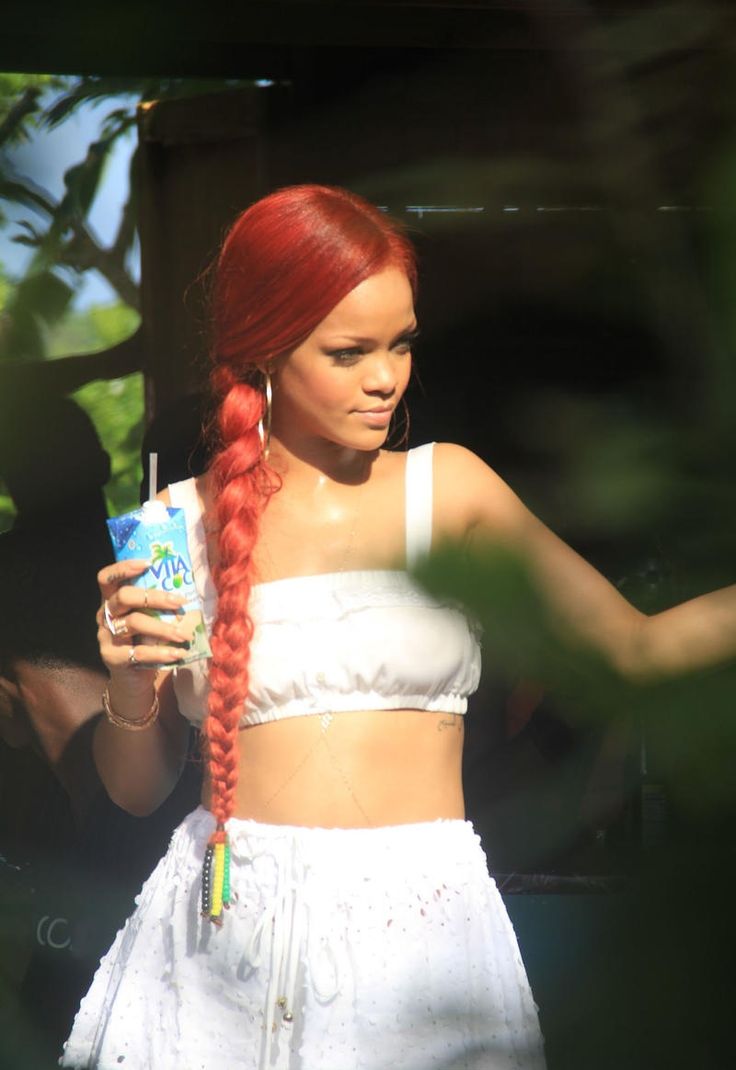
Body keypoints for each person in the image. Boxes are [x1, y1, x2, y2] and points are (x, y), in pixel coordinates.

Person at [60, 184, 735, 1070]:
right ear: (264, 348)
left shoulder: (447, 488)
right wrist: (130, 683)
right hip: (219, 942)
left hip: (418, 932)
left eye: (401, 343)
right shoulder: (173, 522)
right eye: (349, 352)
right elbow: (136, 791)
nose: (386, 377)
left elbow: (638, 653)